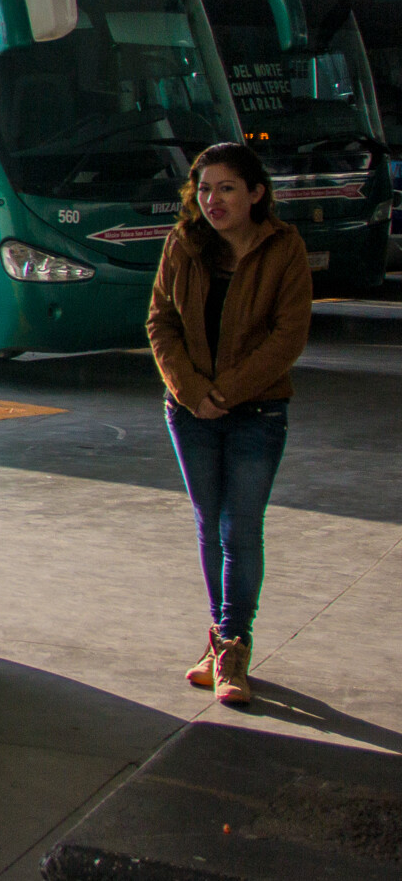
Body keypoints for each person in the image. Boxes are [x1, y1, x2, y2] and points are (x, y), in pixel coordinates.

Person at [147, 142, 311, 706]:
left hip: (256, 412)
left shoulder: (284, 248)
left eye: (227, 188)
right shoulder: (182, 243)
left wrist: (226, 393)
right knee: (209, 523)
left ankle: (233, 645)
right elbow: (160, 322)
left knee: (239, 528)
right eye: (204, 189)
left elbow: (288, 336)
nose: (212, 200)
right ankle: (221, 641)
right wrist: (194, 394)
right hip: (190, 412)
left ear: (256, 194)